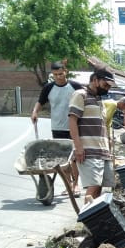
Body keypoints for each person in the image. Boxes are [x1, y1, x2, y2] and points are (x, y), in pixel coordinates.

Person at [31, 61, 82, 193]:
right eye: (55, 74)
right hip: (57, 127)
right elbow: (40, 102)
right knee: (62, 159)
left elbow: (85, 101)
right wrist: (35, 112)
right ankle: (69, 184)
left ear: (66, 71)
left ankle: (76, 185)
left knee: (74, 158)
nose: (58, 76)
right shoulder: (48, 88)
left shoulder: (75, 86)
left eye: (60, 73)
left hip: (74, 127)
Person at [68, 69, 115, 203]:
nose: (107, 89)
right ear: (95, 80)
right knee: (93, 186)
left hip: (102, 151)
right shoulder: (80, 95)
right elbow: (72, 121)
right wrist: (78, 147)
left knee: (99, 187)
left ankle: (94, 219)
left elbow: (102, 125)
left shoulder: (99, 100)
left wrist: (109, 145)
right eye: (105, 85)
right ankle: (86, 218)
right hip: (88, 151)